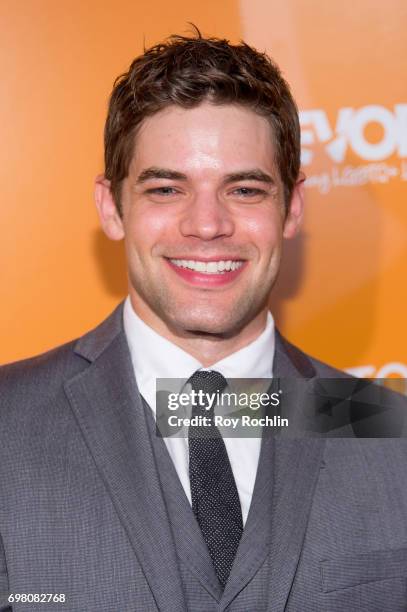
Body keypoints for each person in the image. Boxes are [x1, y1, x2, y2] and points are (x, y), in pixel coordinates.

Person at [1, 32, 407, 612]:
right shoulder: (6, 426)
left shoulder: (388, 430)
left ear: (291, 208)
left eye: (244, 189)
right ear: (112, 207)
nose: (208, 224)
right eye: (166, 188)